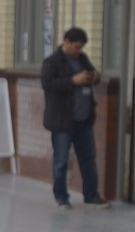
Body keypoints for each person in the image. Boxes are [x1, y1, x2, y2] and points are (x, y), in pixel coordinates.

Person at [41, 27, 109, 210]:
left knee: (88, 158)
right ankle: (61, 197)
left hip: (83, 120)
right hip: (63, 121)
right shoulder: (52, 62)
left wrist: (94, 77)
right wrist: (73, 81)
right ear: (67, 42)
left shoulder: (82, 58)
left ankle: (91, 194)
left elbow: (93, 73)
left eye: (81, 48)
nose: (79, 51)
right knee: (61, 160)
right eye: (77, 47)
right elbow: (47, 83)